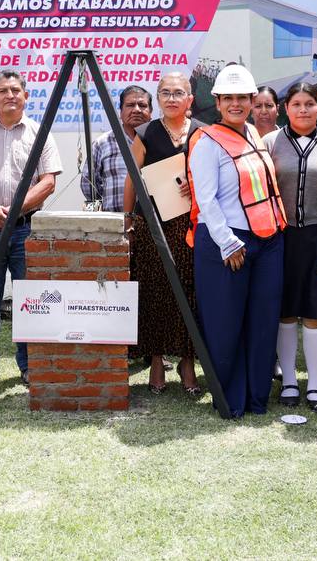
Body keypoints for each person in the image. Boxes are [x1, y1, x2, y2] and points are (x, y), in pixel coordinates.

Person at [187, 64, 287, 418]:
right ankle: (230, 400)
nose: (235, 104)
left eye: (241, 97)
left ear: (251, 99)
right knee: (226, 323)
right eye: (227, 98)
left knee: (262, 322)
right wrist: (228, 243)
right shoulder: (206, 142)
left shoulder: (254, 135)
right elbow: (206, 200)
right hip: (227, 243)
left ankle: (257, 398)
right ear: (216, 101)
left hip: (268, 241)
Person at [0, 71, 62, 390]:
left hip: (25, 229)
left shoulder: (40, 132)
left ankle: (29, 365)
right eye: (3, 90)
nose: (10, 95)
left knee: (29, 301)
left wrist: (14, 211)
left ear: (26, 96)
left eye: (16, 90)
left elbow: (48, 181)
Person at [265, 83, 317, 414]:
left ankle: (314, 384)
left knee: (315, 314)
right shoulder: (269, 143)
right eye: (296, 104)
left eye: (309, 104)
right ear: (286, 107)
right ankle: (288, 380)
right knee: (285, 312)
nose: (303, 109)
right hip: (279, 238)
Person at [123, 73, 201, 394]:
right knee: (154, 291)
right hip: (151, 225)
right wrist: (128, 219)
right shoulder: (146, 133)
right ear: (159, 98)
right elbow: (132, 179)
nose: (171, 98)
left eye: (178, 92)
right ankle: (156, 362)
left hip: (190, 227)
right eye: (165, 93)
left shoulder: (202, 133)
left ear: (189, 99)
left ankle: (187, 362)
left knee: (189, 291)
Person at [82, 86, 151, 212]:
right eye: (130, 105)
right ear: (120, 112)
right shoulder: (102, 143)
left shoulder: (158, 141)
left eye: (142, 105)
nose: (136, 110)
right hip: (114, 222)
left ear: (150, 112)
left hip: (152, 225)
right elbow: (88, 184)